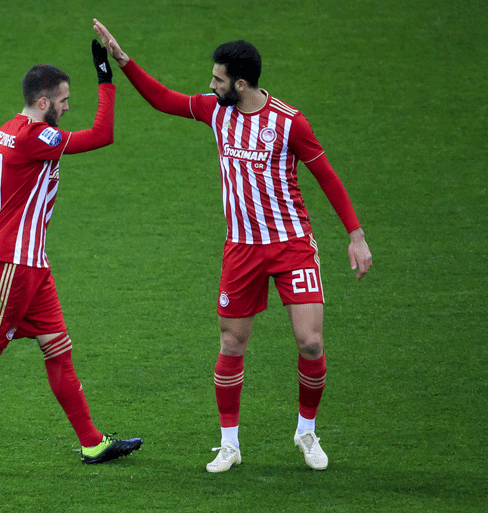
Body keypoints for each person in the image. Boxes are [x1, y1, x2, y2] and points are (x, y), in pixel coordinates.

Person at [92, 19, 372, 472]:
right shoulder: (214, 111)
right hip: (242, 248)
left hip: (291, 244)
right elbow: (163, 99)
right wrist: (123, 60)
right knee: (231, 342)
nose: (211, 85)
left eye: (218, 79)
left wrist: (355, 235)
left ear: (240, 84)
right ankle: (229, 444)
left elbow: (326, 175)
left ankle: (306, 431)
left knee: (310, 343)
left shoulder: (289, 122)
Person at [0, 40, 143, 474]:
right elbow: (103, 135)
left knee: (58, 348)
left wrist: (9, 220)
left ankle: (92, 443)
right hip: (12, 267)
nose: (67, 107)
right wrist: (105, 76)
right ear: (43, 102)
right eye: (63, 100)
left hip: (31, 264)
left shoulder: (4, 132)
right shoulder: (37, 137)